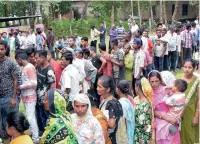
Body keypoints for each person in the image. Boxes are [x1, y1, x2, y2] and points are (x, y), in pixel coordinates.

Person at [148, 70, 180, 143]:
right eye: (152, 82)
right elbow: (150, 110)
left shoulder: (167, 90)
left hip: (170, 119)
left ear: (160, 80)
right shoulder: (148, 93)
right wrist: (165, 117)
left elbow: (178, 102)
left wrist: (176, 117)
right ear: (148, 81)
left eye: (157, 81)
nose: (154, 84)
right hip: (156, 120)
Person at [15, 52, 39, 143]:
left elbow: (34, 83)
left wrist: (20, 87)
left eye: (17, 60)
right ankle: (35, 135)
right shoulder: (26, 68)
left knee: (30, 117)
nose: (17, 62)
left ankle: (35, 138)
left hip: (30, 96)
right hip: (26, 96)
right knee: (31, 116)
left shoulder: (29, 68)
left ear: (20, 59)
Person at [176, 59, 199, 144]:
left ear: (194, 68)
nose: (187, 69)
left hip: (190, 112)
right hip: (177, 111)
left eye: (189, 67)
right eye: (185, 67)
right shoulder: (178, 77)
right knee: (177, 135)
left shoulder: (197, 80)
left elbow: (199, 99)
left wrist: (196, 116)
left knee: (189, 135)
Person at [0, 41, 19, 138]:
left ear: (6, 49)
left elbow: (16, 80)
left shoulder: (10, 62)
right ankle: (5, 137)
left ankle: (15, 138)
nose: (0, 51)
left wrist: (13, 98)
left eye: (2, 49)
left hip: (9, 96)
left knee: (12, 119)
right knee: (2, 120)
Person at [97, 76, 123, 144]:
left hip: (112, 138)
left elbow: (112, 124)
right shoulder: (105, 100)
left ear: (108, 89)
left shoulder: (111, 103)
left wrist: (98, 121)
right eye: (97, 86)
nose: (97, 89)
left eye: (100, 87)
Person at [35, 51, 56, 131]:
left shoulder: (49, 71)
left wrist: (48, 101)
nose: (36, 60)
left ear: (43, 58)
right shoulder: (39, 67)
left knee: (47, 119)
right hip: (40, 99)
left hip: (46, 101)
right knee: (42, 117)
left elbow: (52, 87)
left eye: (37, 58)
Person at [134, 77, 153, 144]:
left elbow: (142, 123)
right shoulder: (143, 100)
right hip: (144, 135)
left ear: (138, 88)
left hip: (141, 136)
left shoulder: (143, 105)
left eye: (135, 86)